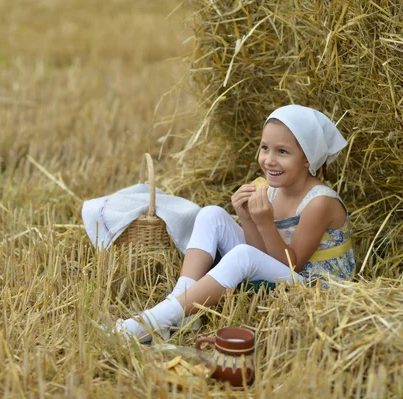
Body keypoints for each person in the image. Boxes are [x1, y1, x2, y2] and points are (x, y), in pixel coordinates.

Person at [115, 104, 356, 344]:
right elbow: (261, 253)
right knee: (212, 214)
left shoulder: (319, 202)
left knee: (242, 256)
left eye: (282, 152)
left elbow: (293, 266)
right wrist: (247, 217)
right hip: (282, 270)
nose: (269, 160)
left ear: (308, 158)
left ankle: (154, 321)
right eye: (264, 148)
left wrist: (264, 222)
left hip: (316, 287)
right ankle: (181, 305)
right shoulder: (273, 190)